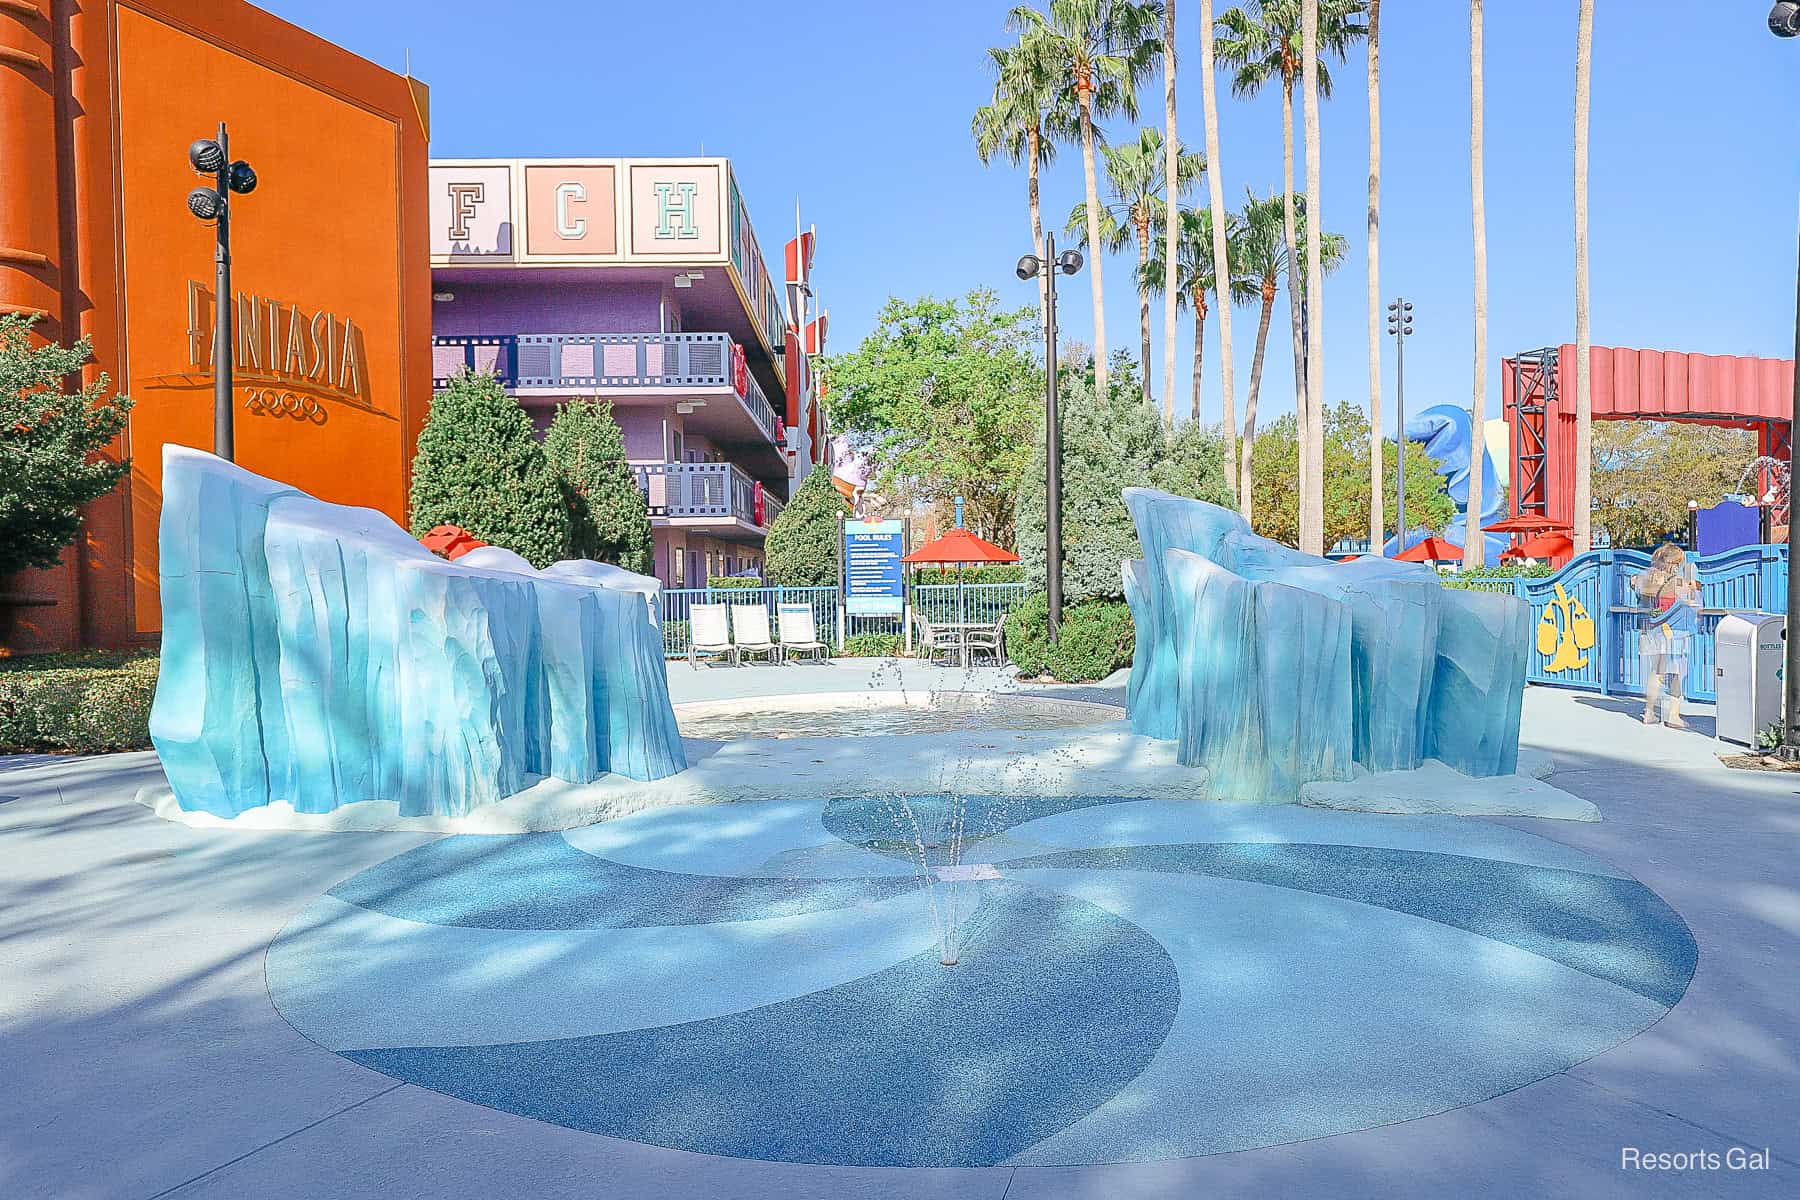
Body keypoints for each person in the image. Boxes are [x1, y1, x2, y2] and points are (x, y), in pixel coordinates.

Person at [1632, 543, 1701, 729]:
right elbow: (1691, 602)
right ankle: (1673, 715)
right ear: (1674, 562)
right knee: (1677, 673)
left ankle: (1649, 712)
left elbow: (1637, 590)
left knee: (1657, 672)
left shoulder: (1647, 578)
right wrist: (1693, 589)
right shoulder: (1677, 581)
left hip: (1653, 632)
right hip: (1674, 632)